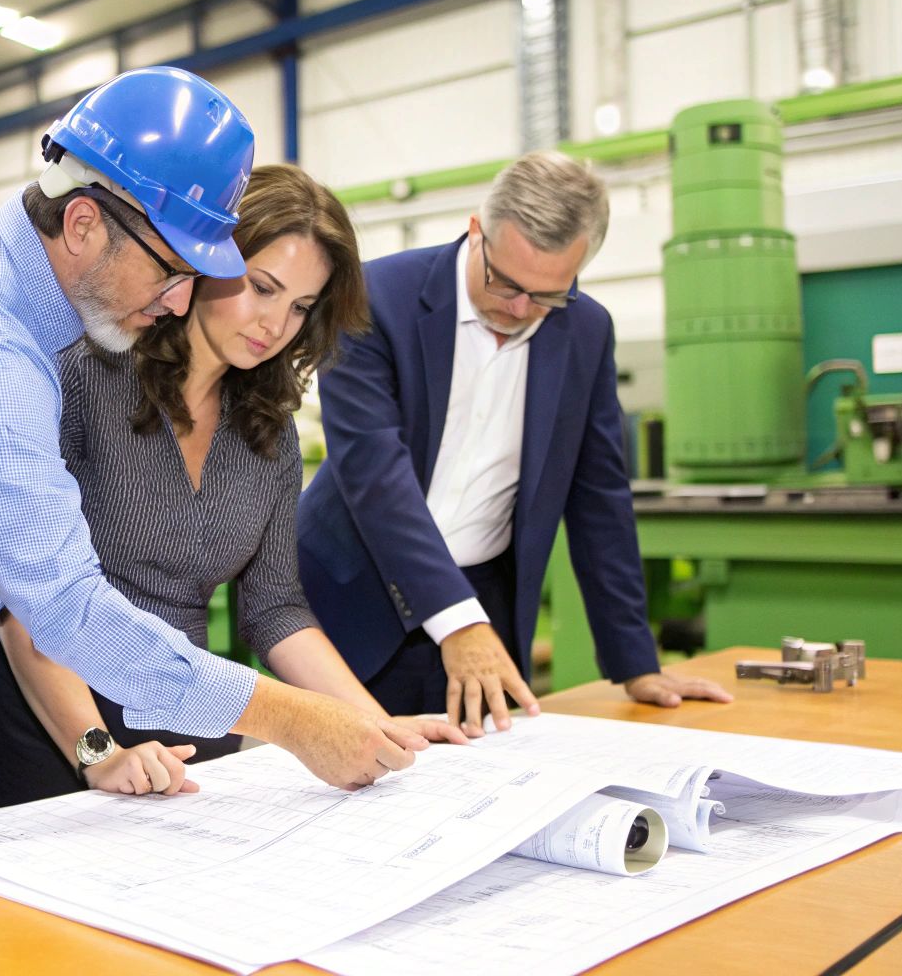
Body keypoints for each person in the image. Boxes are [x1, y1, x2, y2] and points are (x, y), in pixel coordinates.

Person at [0, 67, 431, 858]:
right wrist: (292, 719)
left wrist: (357, 722)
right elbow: (58, 605)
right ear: (85, 222)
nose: (178, 300)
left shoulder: (5, 291)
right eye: (170, 271)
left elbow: (267, 604)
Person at [0, 164, 467, 808]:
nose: (275, 324)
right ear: (205, 261)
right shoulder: (83, 373)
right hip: (61, 726)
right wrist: (98, 752)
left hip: (191, 717)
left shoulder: (269, 430)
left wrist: (375, 724)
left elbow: (275, 609)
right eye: (261, 287)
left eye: (300, 307)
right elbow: (26, 601)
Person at [295, 151, 733, 739]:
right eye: (505, 283)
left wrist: (636, 662)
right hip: (355, 599)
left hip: (487, 603)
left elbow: (599, 494)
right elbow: (374, 474)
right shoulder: (373, 297)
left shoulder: (586, 330)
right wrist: (456, 622)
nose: (520, 310)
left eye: (548, 295)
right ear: (477, 231)